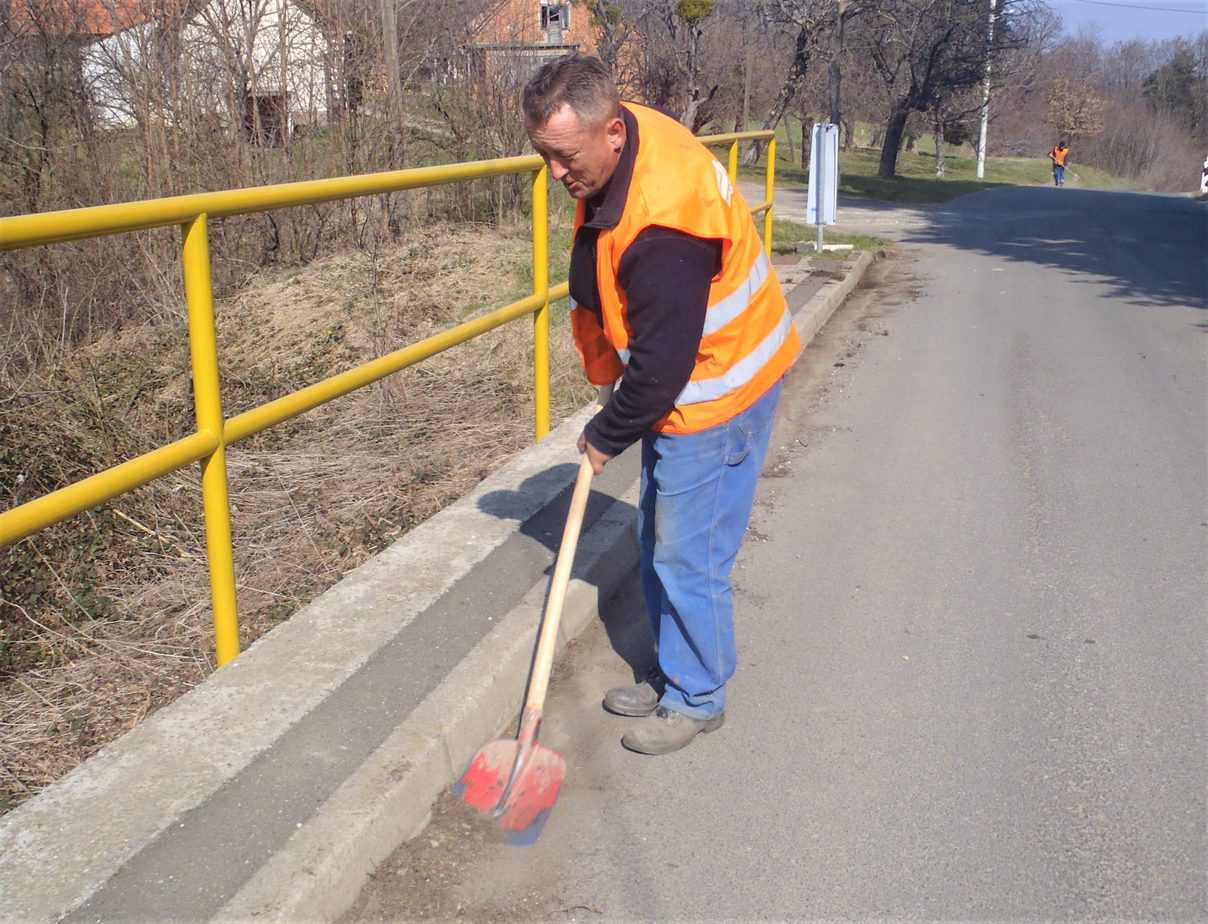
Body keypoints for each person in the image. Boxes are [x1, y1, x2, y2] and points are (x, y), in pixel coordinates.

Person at [522, 55, 800, 756]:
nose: (556, 175)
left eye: (563, 157)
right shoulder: (624, 142)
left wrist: (603, 434)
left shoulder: (665, 227)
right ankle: (670, 670)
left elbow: (661, 373)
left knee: (687, 552)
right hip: (690, 375)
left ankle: (699, 696)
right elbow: (601, 276)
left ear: (611, 131)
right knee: (657, 538)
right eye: (543, 157)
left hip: (721, 386)